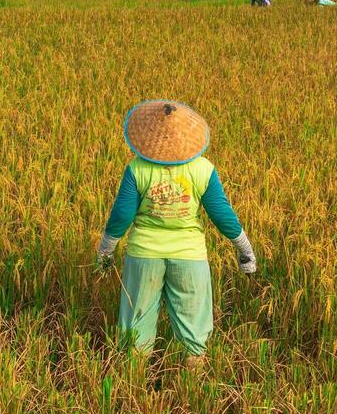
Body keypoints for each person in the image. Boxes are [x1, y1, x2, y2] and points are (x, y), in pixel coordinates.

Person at [97, 100, 256, 362]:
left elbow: (122, 216)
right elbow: (221, 214)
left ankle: (134, 386)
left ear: (148, 136)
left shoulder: (137, 169)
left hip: (144, 255)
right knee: (193, 330)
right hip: (189, 257)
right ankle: (191, 389)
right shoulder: (203, 169)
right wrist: (245, 250)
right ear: (188, 137)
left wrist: (106, 251)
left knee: (137, 327)